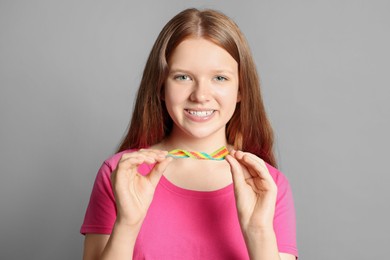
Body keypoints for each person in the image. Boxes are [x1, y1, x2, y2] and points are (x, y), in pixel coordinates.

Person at [81, 8, 298, 260]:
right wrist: (127, 224)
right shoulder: (120, 174)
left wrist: (259, 232)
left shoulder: (268, 186)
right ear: (161, 87)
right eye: (183, 77)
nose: (200, 95)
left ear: (241, 90)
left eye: (219, 77)